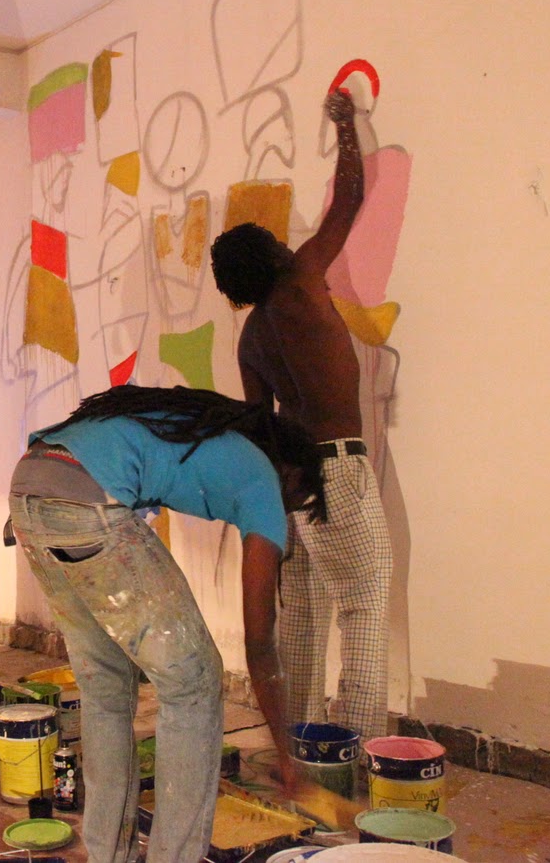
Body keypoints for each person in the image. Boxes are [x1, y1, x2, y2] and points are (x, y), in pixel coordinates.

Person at [8, 384, 321, 863]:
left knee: (106, 688)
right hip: (86, 501)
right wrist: (285, 751)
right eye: (298, 502)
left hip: (30, 485)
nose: (288, 515)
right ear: (293, 473)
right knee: (194, 682)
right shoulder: (263, 477)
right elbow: (260, 641)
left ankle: (107, 856)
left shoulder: (203, 437)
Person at [209, 89, 393, 741]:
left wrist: (276, 506)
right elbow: (348, 200)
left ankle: (303, 744)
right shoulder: (304, 280)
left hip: (294, 483)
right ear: (273, 254)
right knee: (364, 604)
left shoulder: (251, 339)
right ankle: (359, 752)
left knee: (306, 618)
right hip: (339, 467)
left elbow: (259, 429)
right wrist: (346, 124)